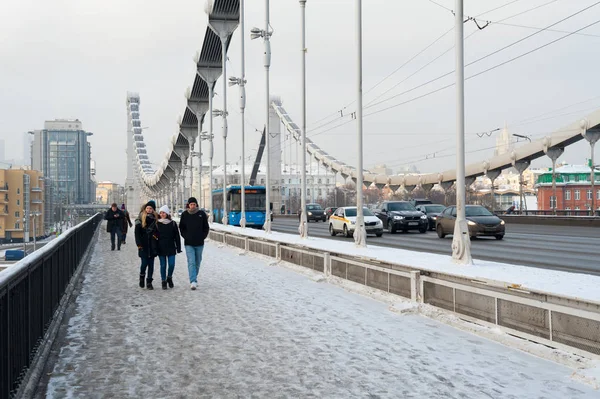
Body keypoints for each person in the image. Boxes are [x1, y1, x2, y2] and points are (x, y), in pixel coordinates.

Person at [179, 197, 209, 290]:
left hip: (199, 243)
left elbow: (206, 227)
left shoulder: (202, 214)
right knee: (191, 262)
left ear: (196, 205)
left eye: (194, 204)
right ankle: (193, 281)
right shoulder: (184, 215)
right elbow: (181, 227)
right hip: (189, 243)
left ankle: (194, 277)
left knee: (197, 262)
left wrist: (202, 236)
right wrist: (185, 236)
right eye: (191, 204)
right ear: (188, 205)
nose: (192, 206)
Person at [135, 201, 159, 290]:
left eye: (151, 208)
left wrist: (156, 236)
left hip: (152, 245)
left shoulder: (156, 219)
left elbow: (158, 232)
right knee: (144, 264)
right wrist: (139, 245)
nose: (149, 210)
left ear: (153, 210)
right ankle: (142, 277)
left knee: (151, 265)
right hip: (143, 245)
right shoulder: (140, 220)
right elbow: (137, 234)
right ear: (145, 209)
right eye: (148, 208)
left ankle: (149, 282)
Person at [156, 205, 181, 290]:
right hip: (160, 247)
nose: (162, 214)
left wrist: (178, 247)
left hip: (171, 247)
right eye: (161, 213)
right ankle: (163, 281)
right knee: (163, 265)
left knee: (171, 264)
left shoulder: (173, 223)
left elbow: (177, 236)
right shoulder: (157, 223)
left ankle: (169, 277)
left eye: (164, 212)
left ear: (167, 213)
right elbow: (153, 236)